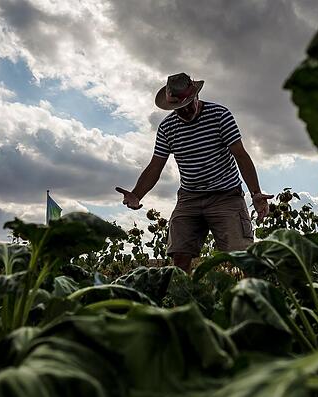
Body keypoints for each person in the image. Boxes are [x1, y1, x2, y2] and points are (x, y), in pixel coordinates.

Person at [116, 72, 273, 273]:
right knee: (179, 254)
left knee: (241, 256)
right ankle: (184, 299)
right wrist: (137, 194)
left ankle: (250, 299)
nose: (186, 110)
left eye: (189, 103)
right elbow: (156, 165)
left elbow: (240, 155)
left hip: (225, 196)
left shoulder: (219, 115)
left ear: (196, 96)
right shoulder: (167, 127)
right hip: (189, 198)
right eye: (179, 108)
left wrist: (256, 193)